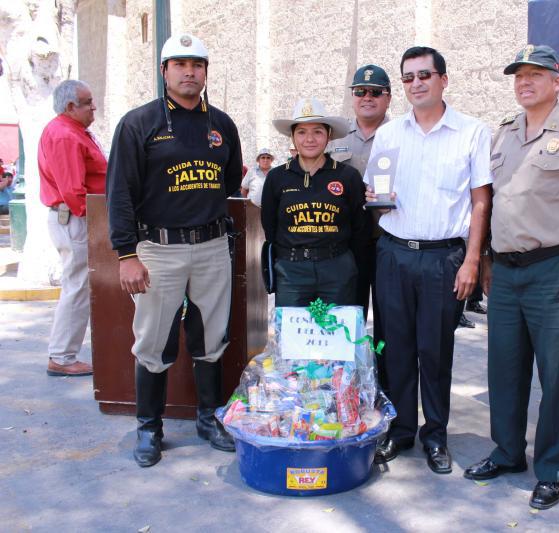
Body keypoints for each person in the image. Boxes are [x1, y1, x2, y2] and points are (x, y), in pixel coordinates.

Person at [463, 44, 559, 510]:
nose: (524, 82)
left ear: (557, 81)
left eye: (535, 74)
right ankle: (508, 452)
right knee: (504, 370)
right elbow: (490, 203)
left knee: (556, 376)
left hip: (556, 270)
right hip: (506, 272)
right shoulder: (503, 135)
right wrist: (485, 259)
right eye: (518, 75)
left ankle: (552, 469)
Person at [106, 33, 243, 467]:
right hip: (158, 250)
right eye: (180, 64)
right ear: (164, 71)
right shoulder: (138, 123)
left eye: (197, 64)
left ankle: (207, 418)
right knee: (153, 341)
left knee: (211, 337)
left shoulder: (221, 124)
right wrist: (126, 254)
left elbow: (228, 186)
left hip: (210, 245)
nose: (189, 72)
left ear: (206, 72)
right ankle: (150, 428)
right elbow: (120, 193)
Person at [364, 46, 491, 474]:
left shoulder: (472, 132)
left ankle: (435, 435)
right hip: (395, 254)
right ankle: (399, 431)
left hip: (444, 259)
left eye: (425, 75)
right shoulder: (389, 134)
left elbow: (480, 201)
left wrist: (472, 260)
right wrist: (376, 202)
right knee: (393, 349)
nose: (416, 83)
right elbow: (375, 196)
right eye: (408, 77)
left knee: (435, 351)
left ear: (443, 80)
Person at [263, 97, 366, 307]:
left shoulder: (348, 176)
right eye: (301, 132)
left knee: (336, 335)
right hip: (291, 271)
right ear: (292, 136)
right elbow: (270, 226)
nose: (309, 139)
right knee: (294, 337)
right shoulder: (276, 177)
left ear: (328, 135)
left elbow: (359, 229)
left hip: (337, 269)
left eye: (317, 131)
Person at [327, 64, 391, 386]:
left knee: (389, 325)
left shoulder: (402, 136)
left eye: (376, 92)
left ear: (388, 98)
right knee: (346, 319)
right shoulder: (335, 139)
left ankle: (382, 390)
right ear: (353, 97)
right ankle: (346, 389)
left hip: (389, 244)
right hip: (348, 246)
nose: (368, 97)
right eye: (360, 91)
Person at [38, 79, 107, 377]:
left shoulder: (72, 132)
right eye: (88, 102)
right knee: (78, 285)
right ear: (70, 107)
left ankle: (64, 354)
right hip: (77, 218)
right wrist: (98, 222)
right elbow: (73, 190)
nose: (94, 107)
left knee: (79, 284)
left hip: (77, 217)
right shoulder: (65, 135)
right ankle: (63, 356)